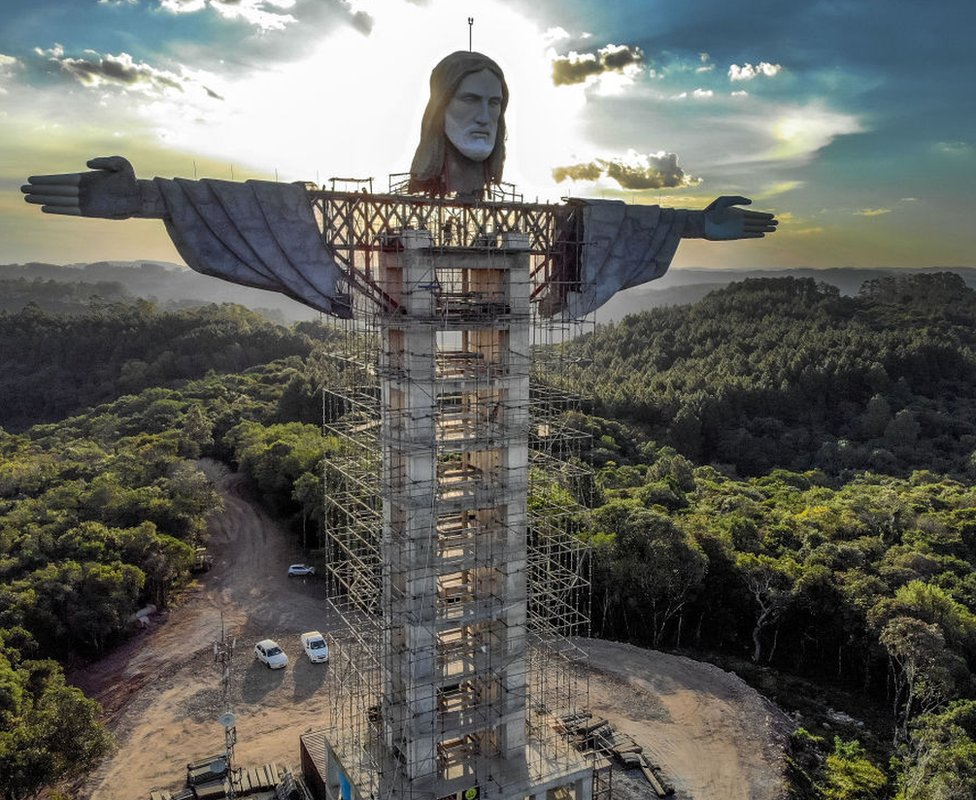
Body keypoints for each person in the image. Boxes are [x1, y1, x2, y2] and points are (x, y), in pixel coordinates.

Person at [21, 50, 777, 318]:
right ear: (438, 110)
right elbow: (272, 209)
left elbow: (609, 223)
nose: (483, 115)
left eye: (495, 103)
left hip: (497, 314)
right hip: (405, 312)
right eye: (468, 100)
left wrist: (691, 222)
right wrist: (146, 195)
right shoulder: (376, 211)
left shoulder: (547, 217)